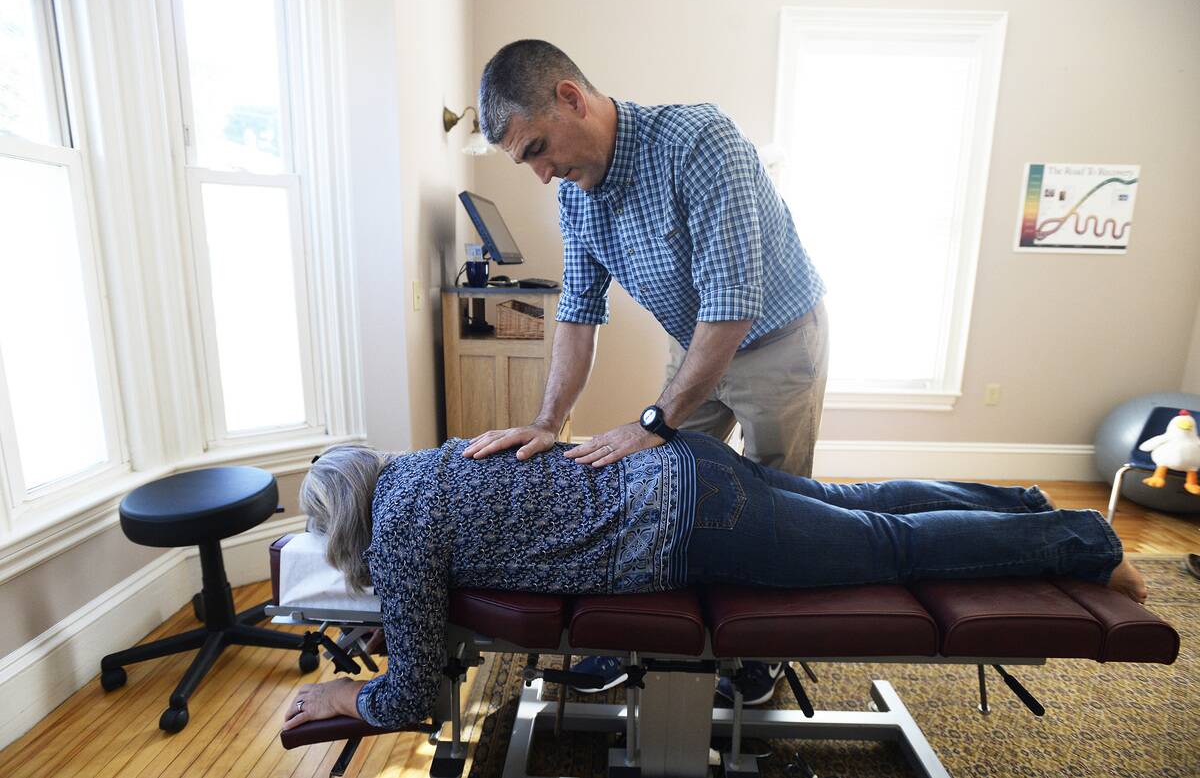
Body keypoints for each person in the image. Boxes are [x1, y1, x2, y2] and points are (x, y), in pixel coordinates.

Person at [282, 437, 1146, 733]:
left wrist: (341, 696)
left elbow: (407, 699)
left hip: (695, 524)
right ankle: (1027, 505)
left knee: (887, 546)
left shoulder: (398, 537)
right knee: (865, 501)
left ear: (346, 527)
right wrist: (400, 622)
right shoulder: (429, 460)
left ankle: (1084, 542)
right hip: (686, 464)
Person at [466, 37, 828, 701]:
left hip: (775, 340)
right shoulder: (575, 197)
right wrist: (548, 422)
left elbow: (733, 306)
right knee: (658, 486)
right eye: (526, 162)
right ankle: (645, 634)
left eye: (538, 148)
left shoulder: (698, 143)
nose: (541, 174)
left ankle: (765, 650)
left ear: (571, 98)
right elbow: (578, 313)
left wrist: (654, 421)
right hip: (696, 340)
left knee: (778, 502)